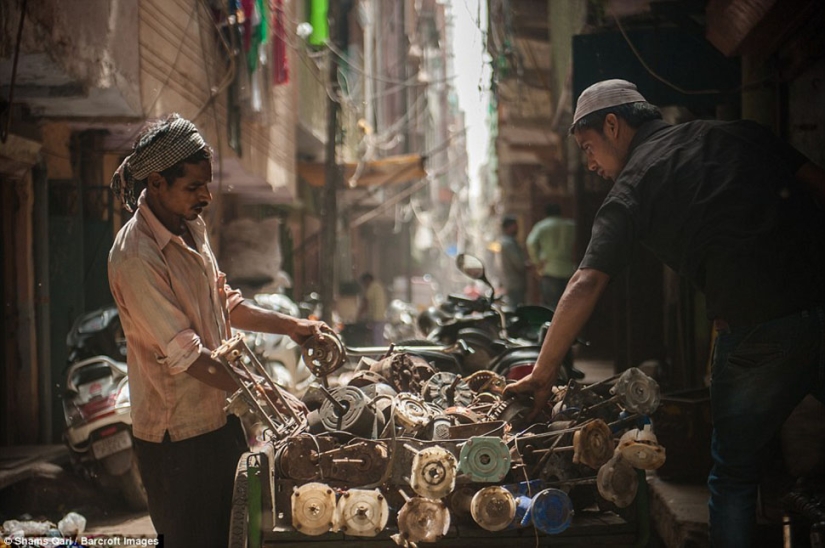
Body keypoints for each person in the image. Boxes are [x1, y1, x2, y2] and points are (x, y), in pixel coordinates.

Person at [504, 79, 825, 547]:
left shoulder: (631, 188)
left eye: (588, 147)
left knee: (734, 477)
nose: (590, 163)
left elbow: (586, 282)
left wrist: (542, 374)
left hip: (756, 330)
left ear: (613, 125)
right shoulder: (737, 132)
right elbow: (818, 182)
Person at [108, 114, 329, 547]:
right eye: (194, 187)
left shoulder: (191, 227)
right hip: (177, 442)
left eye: (206, 185)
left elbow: (223, 302)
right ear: (156, 183)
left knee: (236, 536)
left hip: (220, 421)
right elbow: (187, 354)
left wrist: (292, 325)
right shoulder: (136, 255)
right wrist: (264, 393)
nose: (206, 196)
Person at [526, 203, 576, 309]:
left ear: (546, 213)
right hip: (569, 270)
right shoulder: (571, 225)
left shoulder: (542, 226)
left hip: (550, 270)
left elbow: (531, 242)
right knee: (568, 306)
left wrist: (537, 262)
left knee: (551, 307)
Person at [498, 215, 528, 307]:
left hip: (511, 283)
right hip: (514, 283)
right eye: (515, 226)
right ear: (509, 227)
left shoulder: (506, 242)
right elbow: (518, 263)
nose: (517, 229)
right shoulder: (509, 243)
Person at [358, 272, 387, 345]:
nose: (364, 286)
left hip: (376, 318)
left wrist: (358, 316)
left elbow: (365, 302)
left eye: (364, 283)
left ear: (367, 280)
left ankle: (378, 352)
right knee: (379, 338)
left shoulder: (372, 287)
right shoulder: (378, 286)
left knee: (376, 339)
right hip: (381, 317)